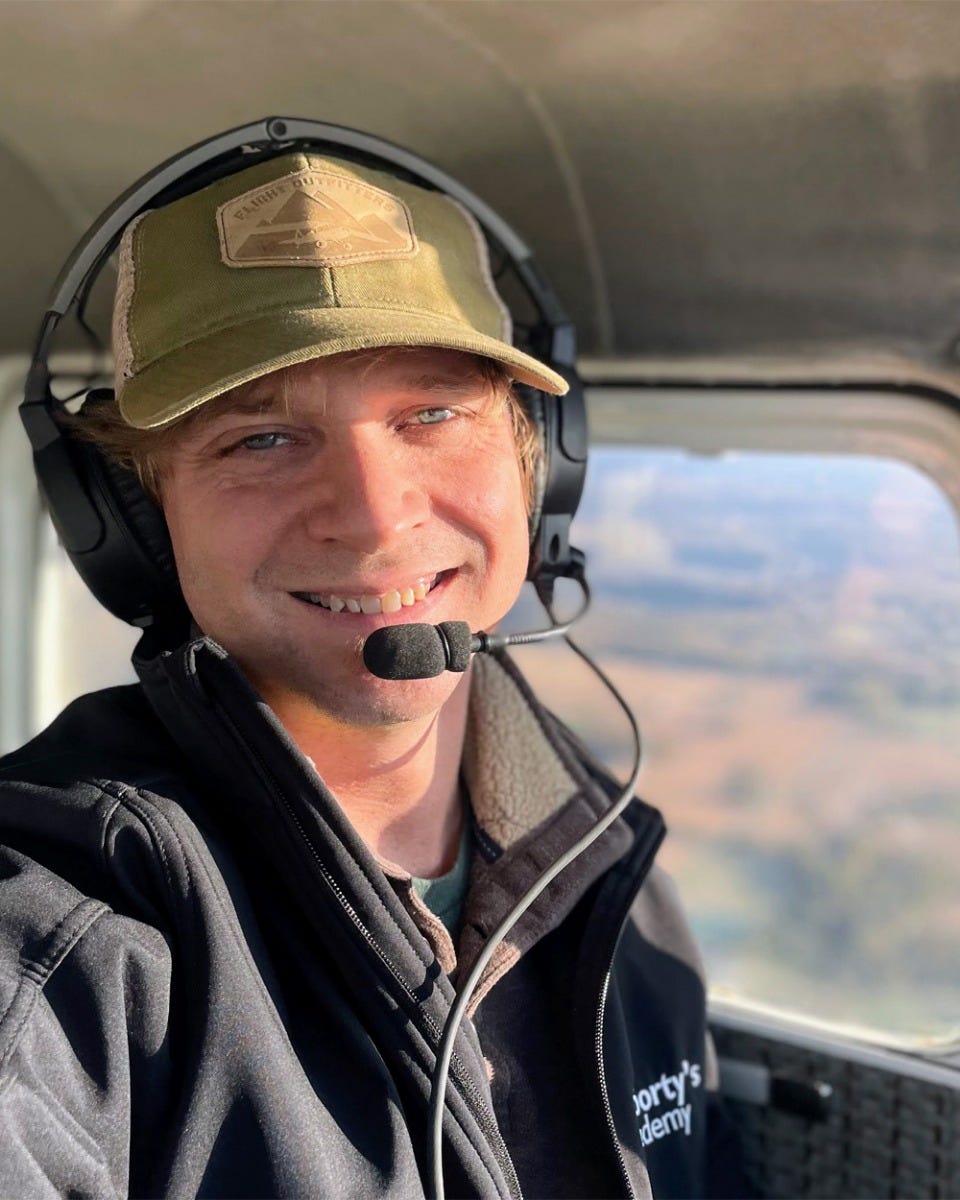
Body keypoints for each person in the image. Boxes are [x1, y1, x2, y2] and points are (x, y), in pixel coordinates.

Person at [0, 144, 745, 1198]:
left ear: (539, 462)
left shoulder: (613, 871)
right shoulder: (66, 940)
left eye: (431, 414)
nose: (373, 512)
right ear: (129, 526)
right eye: (261, 439)